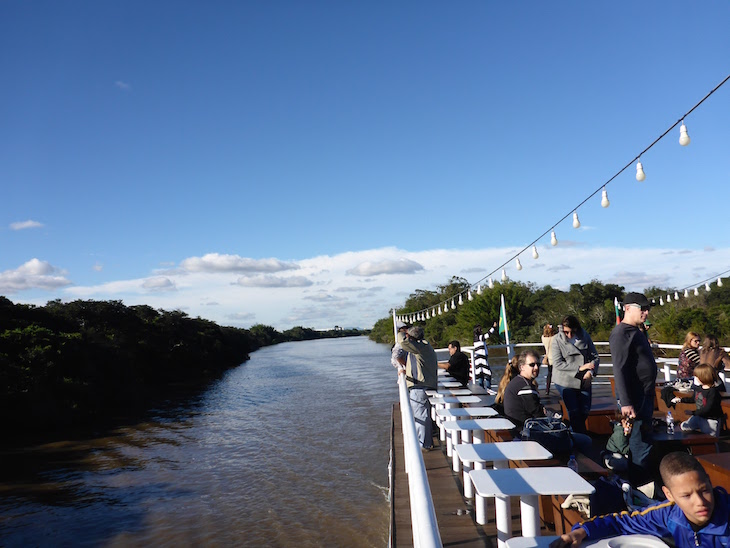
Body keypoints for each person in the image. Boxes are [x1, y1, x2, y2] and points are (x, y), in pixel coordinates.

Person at [550, 452, 730, 548]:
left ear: (709, 480)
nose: (700, 502)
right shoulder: (668, 515)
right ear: (669, 495)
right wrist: (581, 532)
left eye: (704, 490)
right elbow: (620, 522)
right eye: (686, 496)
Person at [609, 292, 657, 486]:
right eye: (642, 308)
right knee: (639, 442)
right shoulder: (621, 333)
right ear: (627, 308)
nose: (646, 312)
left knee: (643, 440)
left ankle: (642, 483)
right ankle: (639, 487)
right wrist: (626, 403)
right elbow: (618, 368)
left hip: (644, 394)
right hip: (635, 397)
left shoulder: (636, 331)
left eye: (648, 308)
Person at [550, 315, 600, 434]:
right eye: (566, 332)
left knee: (585, 410)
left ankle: (575, 434)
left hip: (584, 379)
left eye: (572, 332)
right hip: (565, 381)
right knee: (574, 411)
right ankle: (578, 438)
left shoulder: (585, 336)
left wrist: (590, 372)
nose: (569, 335)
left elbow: (594, 357)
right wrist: (580, 368)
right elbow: (558, 364)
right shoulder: (557, 340)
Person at [397, 325, 438, 450]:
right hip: (426, 384)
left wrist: (401, 332)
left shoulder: (420, 347)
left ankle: (424, 444)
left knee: (421, 416)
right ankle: (427, 441)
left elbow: (402, 342)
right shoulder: (425, 346)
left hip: (420, 387)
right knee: (424, 415)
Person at [672, 364, 725, 437]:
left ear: (704, 377)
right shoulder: (699, 389)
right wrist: (680, 400)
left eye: (697, 376)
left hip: (710, 420)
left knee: (710, 439)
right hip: (698, 416)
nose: (695, 378)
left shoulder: (713, 392)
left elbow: (708, 408)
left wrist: (693, 412)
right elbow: (693, 399)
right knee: (684, 426)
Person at [503, 350, 547, 427]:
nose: (536, 367)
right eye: (532, 365)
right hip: (523, 431)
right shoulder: (525, 386)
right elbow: (537, 413)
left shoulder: (518, 381)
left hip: (518, 426)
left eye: (538, 364)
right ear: (522, 367)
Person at [473, 322, 497, 388]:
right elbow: (488, 335)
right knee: (488, 373)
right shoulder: (480, 337)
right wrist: (493, 327)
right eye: (480, 329)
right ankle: (488, 388)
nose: (481, 330)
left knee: (481, 374)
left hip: (479, 358)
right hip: (481, 358)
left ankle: (482, 389)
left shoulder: (476, 338)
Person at [541, 324, 558, 395]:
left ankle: (547, 389)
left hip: (548, 358)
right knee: (558, 374)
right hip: (556, 357)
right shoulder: (555, 337)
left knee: (549, 374)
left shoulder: (543, 338)